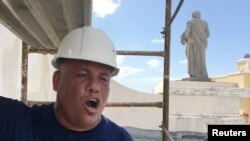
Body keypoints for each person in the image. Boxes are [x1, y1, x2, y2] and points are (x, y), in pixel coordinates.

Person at [0, 26, 134, 141]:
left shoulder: (120, 138)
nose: (94, 86)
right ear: (57, 81)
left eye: (103, 79)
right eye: (82, 75)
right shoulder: (14, 121)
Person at [181, 10, 210, 81]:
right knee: (201, 59)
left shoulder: (190, 22)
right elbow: (208, 34)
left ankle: (194, 75)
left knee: (192, 58)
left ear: (193, 15)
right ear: (199, 15)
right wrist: (201, 38)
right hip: (202, 44)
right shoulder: (205, 23)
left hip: (192, 44)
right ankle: (202, 75)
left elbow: (186, 34)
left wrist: (183, 37)